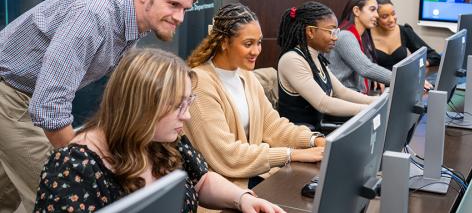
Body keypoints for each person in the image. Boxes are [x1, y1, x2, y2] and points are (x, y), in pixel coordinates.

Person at [0, 0, 202, 212]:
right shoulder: (95, 16)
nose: (180, 17)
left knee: (7, 197)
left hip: (27, 92)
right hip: (12, 93)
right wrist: (86, 165)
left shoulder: (133, 14)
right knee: (52, 186)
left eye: (185, 8)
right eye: (173, 4)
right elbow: (48, 105)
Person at [33, 48, 285, 213]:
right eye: (178, 106)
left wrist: (242, 198)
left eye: (189, 102)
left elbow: (202, 180)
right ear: (142, 107)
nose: (186, 116)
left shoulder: (163, 140)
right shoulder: (74, 167)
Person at [184, 3, 325, 190]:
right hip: (222, 191)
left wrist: (314, 140)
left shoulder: (246, 76)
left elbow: (273, 126)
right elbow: (228, 155)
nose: (256, 51)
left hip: (251, 178)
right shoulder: (200, 84)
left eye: (259, 42)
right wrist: (292, 154)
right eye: (248, 44)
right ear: (224, 42)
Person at [277, 1, 376, 131]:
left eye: (336, 31)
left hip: (315, 132)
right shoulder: (292, 60)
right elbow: (324, 104)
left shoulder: (315, 57)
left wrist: (375, 101)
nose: (335, 38)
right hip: (299, 138)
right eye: (331, 31)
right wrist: (369, 109)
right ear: (311, 31)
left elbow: (342, 92)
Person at [327, 0, 392, 93]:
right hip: (343, 99)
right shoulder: (345, 36)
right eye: (372, 10)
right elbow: (366, 68)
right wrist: (402, 78)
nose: (377, 15)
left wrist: (375, 78)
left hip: (355, 95)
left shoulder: (363, 35)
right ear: (356, 11)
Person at [371, 0, 441, 70]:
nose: (391, 20)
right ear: (375, 17)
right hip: (378, 81)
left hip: (402, 80)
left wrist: (415, 66)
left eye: (393, 14)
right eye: (385, 16)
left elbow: (434, 56)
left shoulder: (404, 31)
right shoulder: (365, 36)